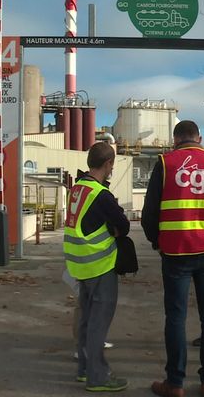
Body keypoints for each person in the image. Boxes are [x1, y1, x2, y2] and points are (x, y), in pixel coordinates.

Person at [141, 120, 204, 397]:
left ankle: (175, 383)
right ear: (199, 138)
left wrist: (157, 242)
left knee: (175, 316)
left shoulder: (166, 162)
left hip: (175, 253)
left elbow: (149, 213)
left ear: (175, 140)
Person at [63, 142, 130, 392]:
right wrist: (113, 229)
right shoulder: (100, 194)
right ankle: (98, 377)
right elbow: (122, 225)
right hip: (98, 264)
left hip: (77, 264)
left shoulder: (77, 188)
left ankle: (84, 370)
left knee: (86, 320)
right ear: (108, 164)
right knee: (98, 325)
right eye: (112, 164)